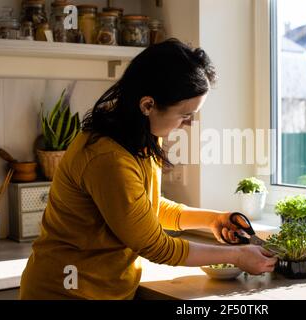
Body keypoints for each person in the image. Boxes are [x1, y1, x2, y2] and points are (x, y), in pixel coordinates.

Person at [20, 39, 277, 300]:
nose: (188, 124)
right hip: (64, 291)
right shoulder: (107, 158)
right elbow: (155, 245)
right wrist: (237, 256)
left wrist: (212, 219)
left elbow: (146, 209)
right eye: (184, 114)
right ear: (147, 105)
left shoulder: (143, 137)